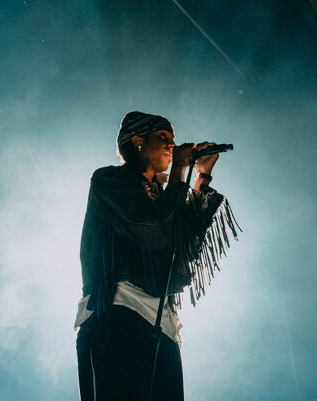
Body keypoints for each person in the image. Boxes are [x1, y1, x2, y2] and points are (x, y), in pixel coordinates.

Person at [74, 111, 239, 401]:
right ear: (137, 141)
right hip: (116, 312)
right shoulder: (109, 180)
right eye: (163, 137)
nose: (172, 145)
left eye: (173, 139)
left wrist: (201, 177)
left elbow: (183, 244)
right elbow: (149, 229)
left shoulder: (162, 199)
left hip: (162, 324)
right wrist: (179, 170)